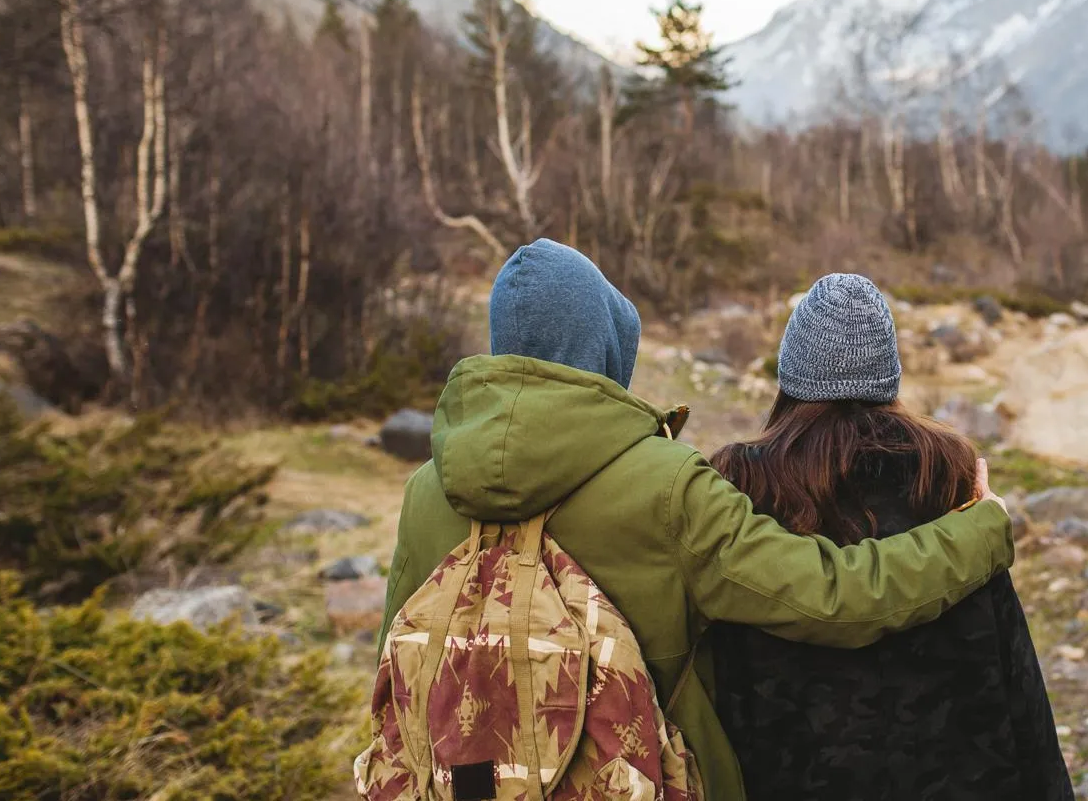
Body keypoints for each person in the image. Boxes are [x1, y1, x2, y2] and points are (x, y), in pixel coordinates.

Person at [377, 241, 1014, 801]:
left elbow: (391, 674)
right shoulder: (667, 485)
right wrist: (979, 529)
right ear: (603, 344)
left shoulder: (426, 493)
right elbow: (836, 597)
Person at [709, 273, 1073, 801]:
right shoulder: (947, 477)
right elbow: (1015, 672)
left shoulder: (741, 487)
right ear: (889, 376)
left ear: (790, 375)